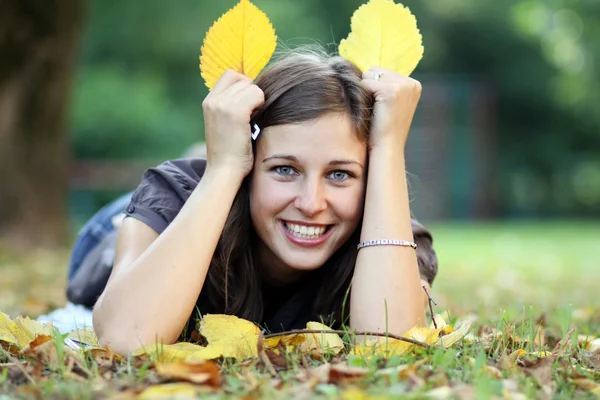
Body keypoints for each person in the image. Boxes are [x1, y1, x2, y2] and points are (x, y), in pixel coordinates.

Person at [89, 48, 438, 355]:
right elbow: (125, 338)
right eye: (285, 169)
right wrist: (224, 167)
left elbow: (393, 345)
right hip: (126, 225)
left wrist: (389, 148)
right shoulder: (173, 195)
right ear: (250, 167)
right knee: (144, 220)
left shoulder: (394, 242)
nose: (311, 203)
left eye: (339, 174)